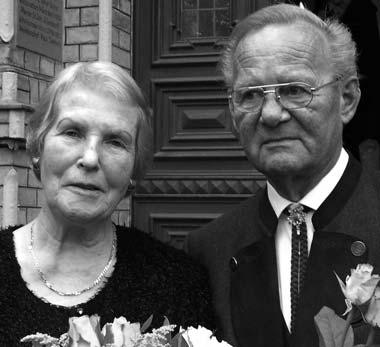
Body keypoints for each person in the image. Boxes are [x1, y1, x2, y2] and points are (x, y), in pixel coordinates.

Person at [188, 3, 380, 347]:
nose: (271, 114)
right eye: (249, 95)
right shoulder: (208, 251)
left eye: (295, 90)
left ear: (347, 100)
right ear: (233, 114)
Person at [0, 62, 214, 345]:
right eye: (72, 132)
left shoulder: (178, 284)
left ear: (133, 172)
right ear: (37, 147)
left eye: (115, 142)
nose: (90, 158)